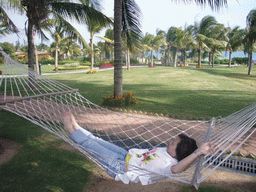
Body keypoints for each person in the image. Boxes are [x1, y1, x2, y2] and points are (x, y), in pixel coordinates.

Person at [62, 111, 216, 185]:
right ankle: (77, 127)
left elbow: (177, 170)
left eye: (174, 143)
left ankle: (70, 130)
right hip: (125, 155)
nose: (170, 142)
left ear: (180, 152)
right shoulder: (167, 153)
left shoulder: (169, 166)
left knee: (92, 146)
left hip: (119, 167)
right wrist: (202, 149)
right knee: (97, 140)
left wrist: (198, 152)